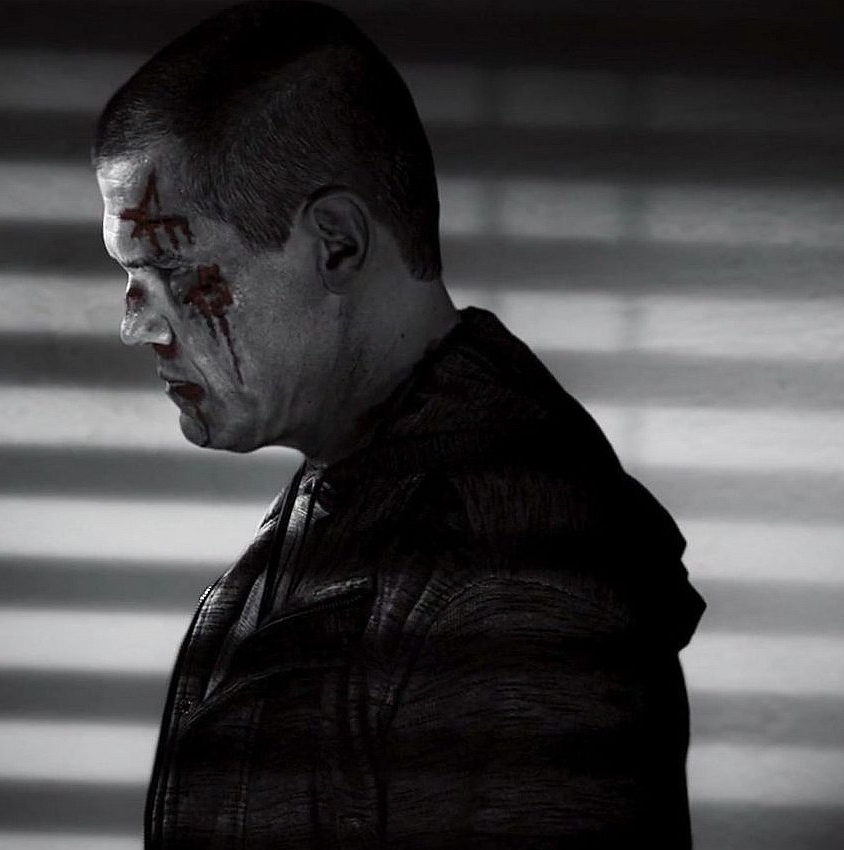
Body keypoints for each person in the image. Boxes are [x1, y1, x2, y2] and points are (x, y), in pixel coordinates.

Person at [94, 2, 705, 846]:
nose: (136, 325)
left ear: (337, 244)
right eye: (129, 276)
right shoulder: (362, 486)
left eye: (173, 268)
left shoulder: (508, 571)